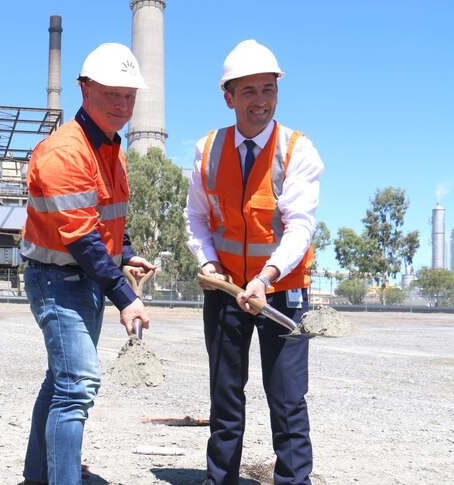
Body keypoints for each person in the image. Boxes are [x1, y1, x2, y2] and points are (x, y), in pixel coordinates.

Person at [184, 39, 324, 485]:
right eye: (249, 91)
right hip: (226, 294)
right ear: (229, 97)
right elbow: (196, 217)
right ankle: (219, 479)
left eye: (268, 89)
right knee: (225, 399)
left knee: (286, 400)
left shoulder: (296, 150)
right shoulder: (207, 149)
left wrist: (265, 277)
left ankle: (292, 481)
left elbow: (300, 226)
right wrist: (207, 262)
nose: (260, 101)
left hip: (282, 294)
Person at [19, 42, 156, 485]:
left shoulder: (110, 148)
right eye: (111, 94)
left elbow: (109, 215)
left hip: (84, 280)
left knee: (61, 382)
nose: (122, 105)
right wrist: (125, 297)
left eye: (129, 96)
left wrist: (127, 251)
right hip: (57, 281)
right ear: (84, 90)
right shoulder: (65, 152)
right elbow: (79, 236)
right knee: (76, 386)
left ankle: (38, 476)